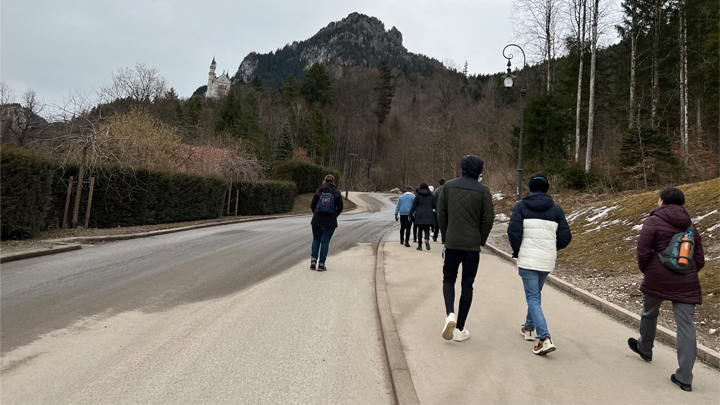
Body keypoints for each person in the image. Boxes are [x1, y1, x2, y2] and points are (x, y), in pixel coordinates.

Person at [628, 187, 704, 392]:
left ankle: (645, 348)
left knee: (650, 313)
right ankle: (685, 377)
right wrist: (688, 272)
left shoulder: (653, 220)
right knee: (686, 326)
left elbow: (643, 250)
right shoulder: (690, 225)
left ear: (661, 201)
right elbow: (699, 259)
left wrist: (648, 269)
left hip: (657, 278)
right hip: (686, 282)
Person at [507, 173, 572, 355]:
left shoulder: (520, 206)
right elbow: (566, 237)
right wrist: (552, 247)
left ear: (530, 188)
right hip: (546, 259)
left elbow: (513, 232)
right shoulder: (557, 210)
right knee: (535, 295)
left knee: (533, 297)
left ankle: (544, 337)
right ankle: (528, 328)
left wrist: (518, 250)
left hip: (528, 258)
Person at [437, 156, 494, 342]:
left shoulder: (448, 187)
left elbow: (441, 213)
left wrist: (446, 235)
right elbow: (488, 219)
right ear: (478, 170)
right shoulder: (484, 191)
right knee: (467, 285)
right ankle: (460, 329)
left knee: (448, 279)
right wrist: (480, 240)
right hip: (472, 246)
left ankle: (450, 314)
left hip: (452, 243)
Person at [310, 174, 344, 271]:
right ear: (333, 182)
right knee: (325, 242)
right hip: (330, 221)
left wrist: (316, 214)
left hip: (317, 220)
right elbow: (340, 208)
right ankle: (321, 264)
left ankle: (313, 260)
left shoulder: (319, 191)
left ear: (324, 180)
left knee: (316, 239)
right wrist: (334, 216)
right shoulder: (336, 193)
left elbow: (312, 205)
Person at [409, 183, 436, 251]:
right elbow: (434, 205)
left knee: (420, 230)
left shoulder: (418, 195)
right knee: (427, 229)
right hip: (428, 213)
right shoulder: (431, 195)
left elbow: (414, 206)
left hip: (419, 214)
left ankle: (420, 245)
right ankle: (426, 239)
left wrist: (410, 214)